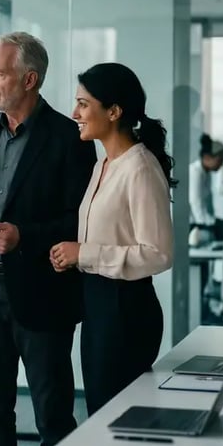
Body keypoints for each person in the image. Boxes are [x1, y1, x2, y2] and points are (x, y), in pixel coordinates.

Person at [0, 31, 95, 446]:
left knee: (53, 418)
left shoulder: (69, 138)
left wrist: (23, 236)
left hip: (44, 293)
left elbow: (81, 221)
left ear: (29, 80)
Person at [50, 62, 175, 417]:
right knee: (102, 416)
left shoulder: (140, 167)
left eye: (84, 104)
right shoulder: (103, 164)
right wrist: (74, 255)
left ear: (114, 111)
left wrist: (84, 253)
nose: (75, 113)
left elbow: (159, 253)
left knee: (114, 420)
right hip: (98, 305)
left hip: (126, 310)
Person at [189, 134, 223, 244]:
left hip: (201, 221)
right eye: (220, 160)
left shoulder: (207, 173)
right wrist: (209, 224)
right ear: (207, 157)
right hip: (191, 224)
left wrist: (213, 220)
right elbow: (196, 202)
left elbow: (208, 204)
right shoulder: (195, 172)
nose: (222, 164)